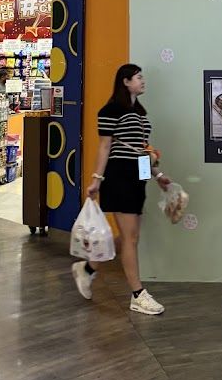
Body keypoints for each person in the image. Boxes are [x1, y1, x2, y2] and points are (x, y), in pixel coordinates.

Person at [71, 64, 170, 315]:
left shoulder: (140, 112)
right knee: (131, 238)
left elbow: (141, 150)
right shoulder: (110, 110)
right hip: (119, 176)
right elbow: (105, 147)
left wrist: (156, 175)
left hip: (138, 176)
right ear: (125, 82)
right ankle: (138, 294)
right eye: (138, 77)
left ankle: (88, 268)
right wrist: (96, 179)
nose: (143, 81)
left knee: (129, 236)